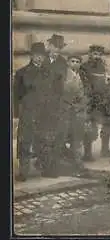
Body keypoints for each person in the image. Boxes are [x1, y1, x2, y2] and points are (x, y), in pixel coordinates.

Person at [13, 42, 48, 181]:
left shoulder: (49, 73)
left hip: (45, 113)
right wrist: (16, 115)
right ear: (31, 56)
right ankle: (24, 171)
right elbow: (16, 95)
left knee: (44, 141)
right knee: (25, 142)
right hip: (28, 112)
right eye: (36, 55)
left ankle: (44, 168)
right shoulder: (22, 73)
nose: (39, 58)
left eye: (41, 56)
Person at [38, 34, 68, 178]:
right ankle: (43, 164)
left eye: (59, 47)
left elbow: (64, 83)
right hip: (42, 105)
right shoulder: (40, 60)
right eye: (54, 46)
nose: (56, 50)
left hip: (57, 105)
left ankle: (51, 167)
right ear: (49, 46)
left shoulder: (62, 62)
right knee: (43, 136)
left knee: (55, 137)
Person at [80, 45, 110, 160]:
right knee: (90, 127)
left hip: (104, 100)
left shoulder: (105, 66)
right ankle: (87, 153)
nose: (97, 57)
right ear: (90, 54)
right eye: (95, 54)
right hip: (91, 101)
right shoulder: (84, 67)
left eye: (99, 54)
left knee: (108, 124)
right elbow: (83, 85)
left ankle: (104, 149)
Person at [59, 53, 89, 173]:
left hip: (78, 112)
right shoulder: (63, 76)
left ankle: (78, 163)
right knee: (63, 137)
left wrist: (82, 105)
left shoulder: (82, 75)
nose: (75, 64)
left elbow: (85, 93)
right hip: (66, 111)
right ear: (67, 62)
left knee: (77, 139)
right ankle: (62, 164)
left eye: (77, 62)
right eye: (72, 61)